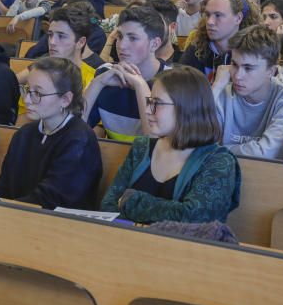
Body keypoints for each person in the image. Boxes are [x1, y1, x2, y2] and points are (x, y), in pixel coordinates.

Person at [99, 66, 241, 224]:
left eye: (157, 103)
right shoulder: (142, 147)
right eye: (149, 102)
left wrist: (132, 201)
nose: (147, 110)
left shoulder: (219, 161)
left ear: (186, 107)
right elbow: (107, 207)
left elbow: (193, 219)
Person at [0, 57, 103, 209]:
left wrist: (2, 209)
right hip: (15, 215)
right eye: (27, 90)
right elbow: (3, 189)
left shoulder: (79, 139)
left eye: (37, 93)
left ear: (65, 99)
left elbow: (50, 199)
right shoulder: (24, 134)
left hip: (57, 225)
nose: (27, 100)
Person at [212, 26, 283, 159]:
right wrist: (215, 88)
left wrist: (215, 151)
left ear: (271, 71)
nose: (238, 76)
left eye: (248, 68)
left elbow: (265, 153)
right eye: (234, 64)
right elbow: (194, 144)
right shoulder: (222, 92)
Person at [85, 6, 169, 141]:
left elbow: (153, 142)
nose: (121, 45)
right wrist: (97, 83)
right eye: (119, 36)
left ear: (154, 44)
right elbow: (72, 129)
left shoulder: (172, 82)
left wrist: (140, 85)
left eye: (133, 38)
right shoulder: (105, 73)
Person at [179, 0, 248, 80]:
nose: (210, 22)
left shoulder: (251, 52)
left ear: (238, 18)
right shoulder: (196, 49)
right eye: (207, 15)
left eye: (218, 15)